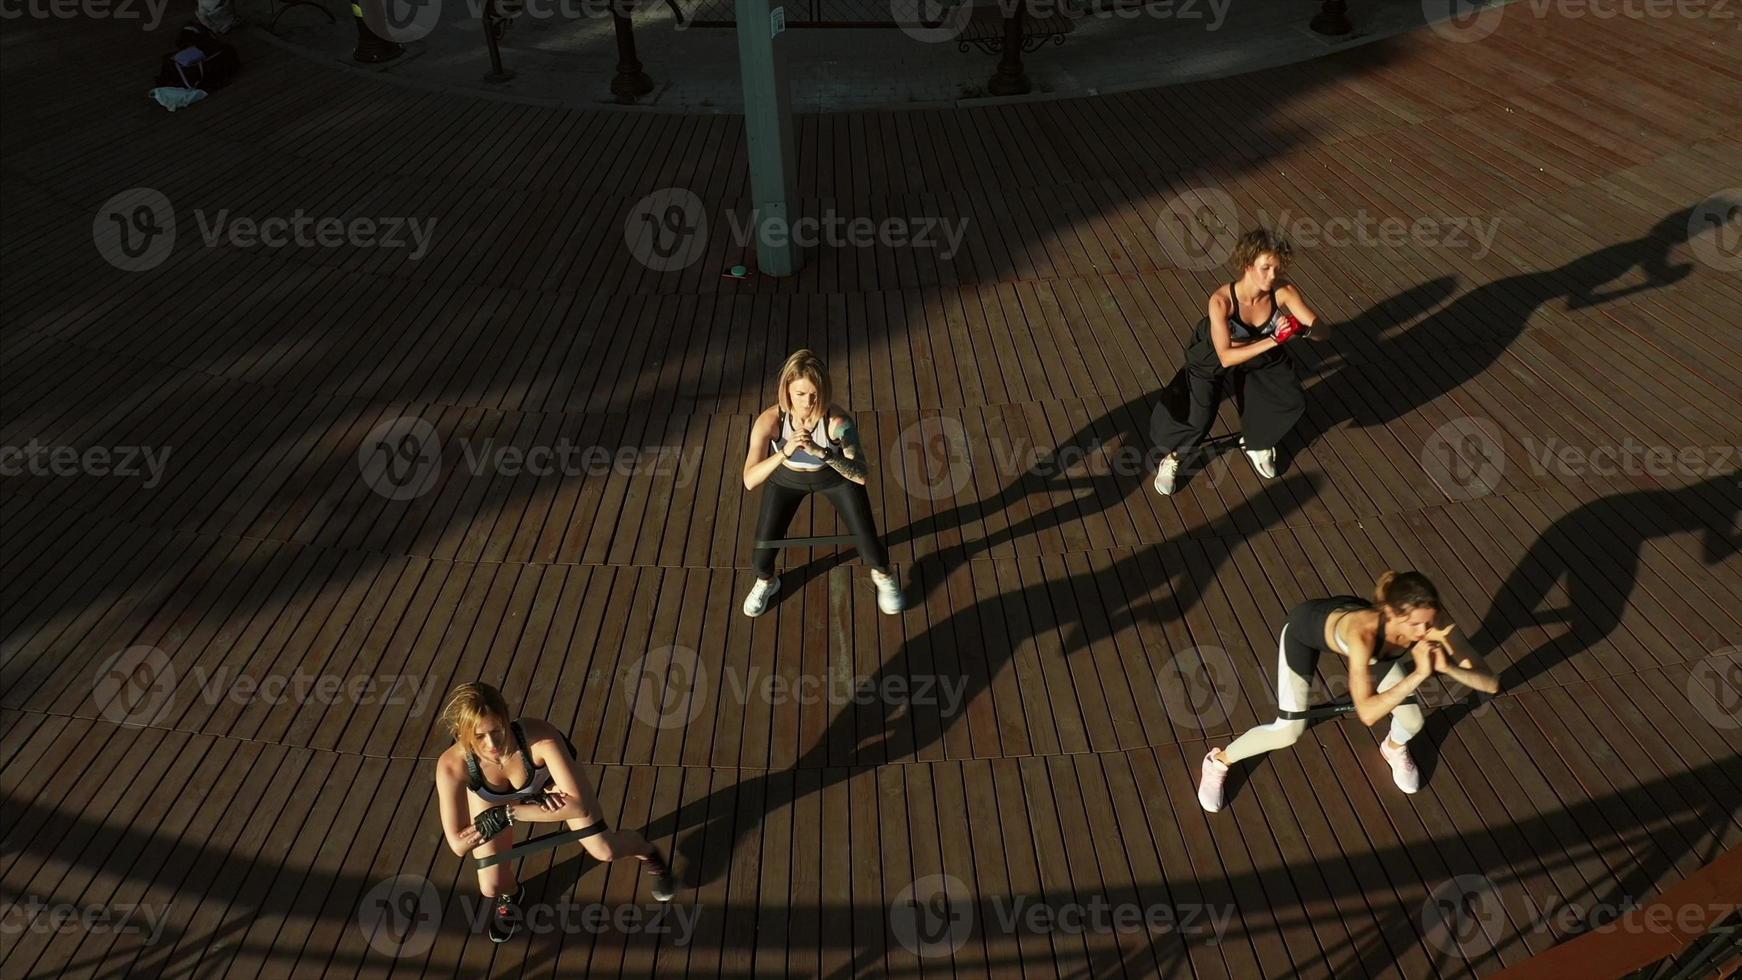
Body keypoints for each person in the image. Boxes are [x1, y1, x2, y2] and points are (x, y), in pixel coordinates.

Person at [1195, 571, 1500, 812]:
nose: (1426, 632)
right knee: (1288, 731)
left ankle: (1393, 749)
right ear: (1393, 615)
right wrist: (1420, 673)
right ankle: (1218, 761)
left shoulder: (1431, 621)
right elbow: (1367, 713)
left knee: (1412, 721)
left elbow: (1489, 682)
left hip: (1374, 646)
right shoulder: (1362, 635)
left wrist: (1447, 668)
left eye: (1430, 622)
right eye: (1418, 625)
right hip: (1304, 632)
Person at [435, 683, 676, 943]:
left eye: (497, 730)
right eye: (479, 737)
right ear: (461, 733)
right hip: (493, 800)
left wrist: (511, 813)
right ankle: (513, 894)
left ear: (506, 718)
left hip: (545, 785)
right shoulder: (451, 765)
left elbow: (578, 806)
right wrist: (509, 813)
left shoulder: (540, 739)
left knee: (605, 850)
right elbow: (458, 844)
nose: (492, 744)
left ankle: (648, 852)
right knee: (491, 886)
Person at [1153, 229, 1323, 494]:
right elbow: (1225, 355)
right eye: (1265, 268)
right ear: (1247, 265)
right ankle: (1174, 457)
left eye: (1277, 269)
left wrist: (1304, 328)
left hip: (1259, 348)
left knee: (1288, 396)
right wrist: (1276, 339)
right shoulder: (1221, 301)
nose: (1272, 276)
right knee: (1198, 418)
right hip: (1215, 353)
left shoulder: (1283, 291)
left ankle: (1257, 443)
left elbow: (1324, 332)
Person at [740, 349, 904, 617]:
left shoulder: (838, 422)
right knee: (761, 555)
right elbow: (749, 480)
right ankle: (768, 582)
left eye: (814, 394)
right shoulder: (770, 420)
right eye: (800, 394)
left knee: (869, 543)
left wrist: (822, 452)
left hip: (832, 478)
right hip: (787, 479)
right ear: (787, 393)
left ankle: (884, 575)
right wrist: (784, 452)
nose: (807, 402)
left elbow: (861, 474)